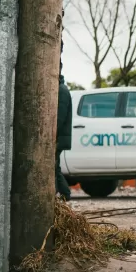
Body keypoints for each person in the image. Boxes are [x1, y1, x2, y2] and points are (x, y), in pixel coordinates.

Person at [56, 42, 73, 201]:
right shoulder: (59, 89)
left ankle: (65, 194)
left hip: (59, 137)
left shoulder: (61, 90)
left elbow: (59, 118)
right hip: (60, 137)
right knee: (55, 167)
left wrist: (52, 135)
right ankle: (64, 194)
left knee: (53, 168)